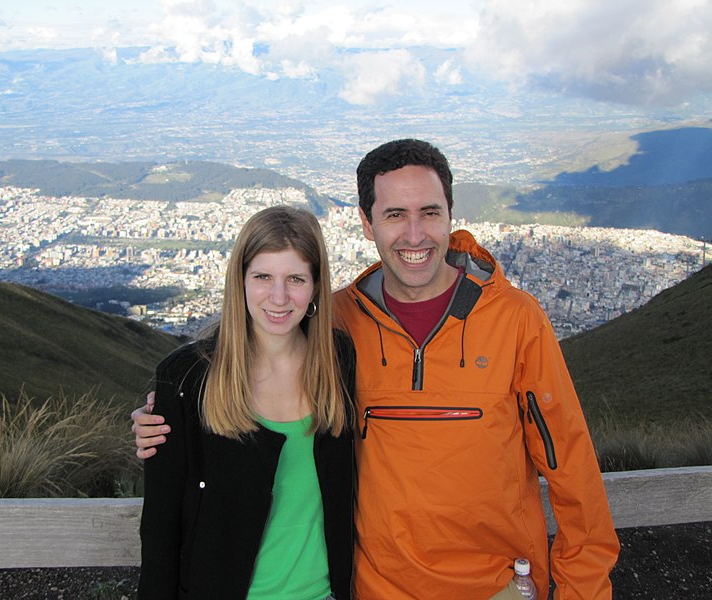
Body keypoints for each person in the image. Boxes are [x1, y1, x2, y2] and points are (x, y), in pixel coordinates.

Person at [134, 139, 620, 599]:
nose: (414, 234)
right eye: (394, 215)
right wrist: (165, 415)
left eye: (430, 212)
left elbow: (573, 474)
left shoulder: (516, 321)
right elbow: (246, 351)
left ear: (451, 215)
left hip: (494, 587)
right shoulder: (338, 327)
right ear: (367, 223)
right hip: (370, 588)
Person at [137, 205, 356, 599]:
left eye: (295, 278)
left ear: (317, 286)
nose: (278, 296)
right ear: (239, 280)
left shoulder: (340, 362)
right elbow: (160, 527)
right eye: (262, 277)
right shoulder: (189, 378)